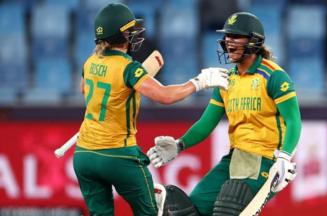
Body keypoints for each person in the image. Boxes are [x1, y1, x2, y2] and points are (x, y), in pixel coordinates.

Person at [72, 3, 228, 216]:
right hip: (118, 155)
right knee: (149, 212)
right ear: (122, 35)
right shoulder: (129, 68)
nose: (134, 34)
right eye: (130, 31)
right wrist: (199, 82)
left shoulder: (90, 62)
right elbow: (165, 96)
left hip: (84, 155)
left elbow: (84, 89)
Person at [147, 12, 302, 216]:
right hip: (234, 158)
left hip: (264, 160)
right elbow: (207, 123)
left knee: (227, 210)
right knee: (189, 210)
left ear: (254, 41)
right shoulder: (225, 80)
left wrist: (284, 157)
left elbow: (294, 121)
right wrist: (179, 144)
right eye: (227, 36)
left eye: (236, 36)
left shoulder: (274, 76)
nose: (229, 41)